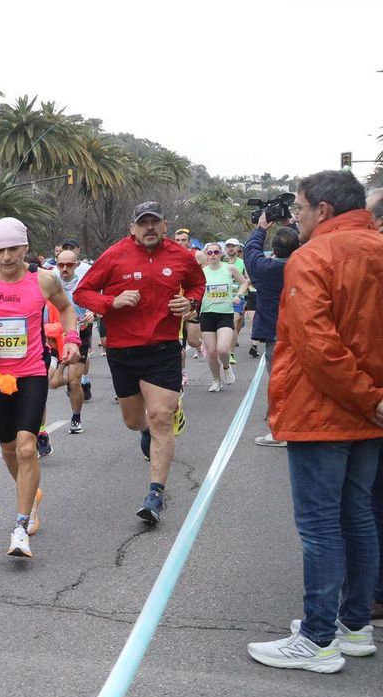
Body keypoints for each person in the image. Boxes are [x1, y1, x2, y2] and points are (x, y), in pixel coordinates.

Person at [247, 169, 383, 673]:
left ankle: (319, 637)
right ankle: (353, 626)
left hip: (325, 411)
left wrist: (367, 397)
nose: (296, 217)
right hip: (367, 413)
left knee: (322, 525)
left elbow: (317, 347)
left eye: (300, 209)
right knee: (359, 517)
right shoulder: (377, 247)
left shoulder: (313, 257)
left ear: (322, 209)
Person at [73, 202, 205, 524]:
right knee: (135, 421)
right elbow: (82, 292)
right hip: (123, 349)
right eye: (142, 223)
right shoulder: (114, 255)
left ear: (164, 226)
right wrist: (111, 302)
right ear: (133, 227)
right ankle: (145, 429)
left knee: (161, 417)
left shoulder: (181, 256)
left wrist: (191, 304)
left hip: (162, 348)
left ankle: (155, 494)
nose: (149, 228)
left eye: (154, 223)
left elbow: (197, 285)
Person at [0, 218, 80, 558]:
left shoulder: (42, 280)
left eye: (14, 248)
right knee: (9, 448)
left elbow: (67, 310)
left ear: (26, 248)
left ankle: (21, 524)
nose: (7, 256)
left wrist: (70, 339)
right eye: (0, 250)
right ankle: (31, 493)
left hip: (30, 373)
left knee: (27, 448)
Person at [247, 216, 296, 447]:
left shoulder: (265, 270)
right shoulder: (304, 265)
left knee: (278, 383)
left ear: (274, 250)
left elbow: (251, 251)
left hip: (276, 335)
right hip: (302, 333)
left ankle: (281, 432)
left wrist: (261, 229)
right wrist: (292, 225)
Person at [50, 250, 95, 433]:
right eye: (61, 265)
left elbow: (96, 305)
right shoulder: (50, 283)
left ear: (76, 265)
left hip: (79, 333)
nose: (65, 269)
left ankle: (76, 417)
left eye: (69, 265)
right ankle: (69, 383)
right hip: (55, 335)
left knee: (75, 381)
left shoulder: (84, 284)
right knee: (53, 382)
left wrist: (93, 312)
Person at [197, 243, 248, 392]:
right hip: (207, 314)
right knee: (212, 351)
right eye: (210, 252)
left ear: (221, 254)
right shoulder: (202, 272)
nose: (213, 255)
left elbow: (244, 282)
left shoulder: (229, 268)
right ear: (206, 254)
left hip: (225, 313)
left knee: (223, 349)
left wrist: (238, 295)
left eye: (216, 252)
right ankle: (216, 380)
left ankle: (226, 366)